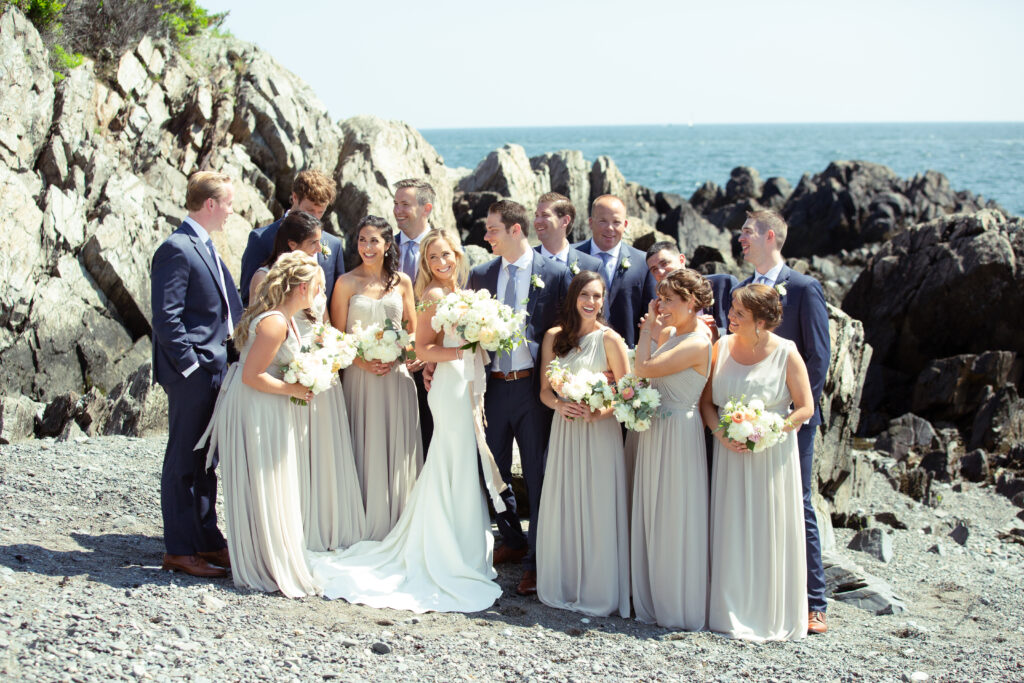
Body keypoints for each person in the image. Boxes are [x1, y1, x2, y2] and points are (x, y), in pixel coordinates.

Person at [308, 230, 502, 613]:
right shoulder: (431, 296)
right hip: (449, 387)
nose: (441, 263)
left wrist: (484, 338)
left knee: (463, 462)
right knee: (451, 458)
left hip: (464, 384)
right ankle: (445, 550)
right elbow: (424, 346)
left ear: (458, 256)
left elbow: (428, 348)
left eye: (446, 255)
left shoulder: (466, 296)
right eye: (433, 258)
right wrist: (459, 351)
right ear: (426, 264)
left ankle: (465, 549)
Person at [198, 251, 324, 598]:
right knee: (265, 480)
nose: (318, 292)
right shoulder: (275, 323)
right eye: (315, 285)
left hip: (268, 404)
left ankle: (270, 556)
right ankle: (264, 564)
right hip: (257, 405)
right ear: (300, 287)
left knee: (273, 480)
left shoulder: (284, 318)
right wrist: (295, 388)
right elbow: (253, 376)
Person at [467, 199, 572, 596]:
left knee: (537, 473)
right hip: (493, 387)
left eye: (492, 229)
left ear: (515, 230)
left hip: (534, 389)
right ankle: (512, 540)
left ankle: (536, 562)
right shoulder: (479, 275)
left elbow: (566, 333)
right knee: (489, 469)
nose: (486, 236)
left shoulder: (557, 274)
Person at [701, 284, 814, 641]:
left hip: (772, 456)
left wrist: (770, 430)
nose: (730, 317)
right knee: (731, 526)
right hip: (730, 454)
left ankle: (768, 612)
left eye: (738, 313)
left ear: (761, 322)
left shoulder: (786, 353)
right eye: (732, 309)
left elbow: (806, 408)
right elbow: (706, 404)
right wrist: (722, 435)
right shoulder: (721, 347)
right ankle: (729, 608)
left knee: (769, 527)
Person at [736, 209, 831, 635]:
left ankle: (814, 600)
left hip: (791, 419)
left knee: (799, 501)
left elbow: (818, 357)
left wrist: (789, 413)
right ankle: (756, 589)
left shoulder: (805, 288)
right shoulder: (740, 289)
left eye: (747, 232)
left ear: (770, 236)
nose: (741, 239)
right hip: (743, 420)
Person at [249, 211, 366, 551]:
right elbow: (262, 325)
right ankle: (297, 526)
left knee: (325, 446)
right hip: (289, 365)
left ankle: (327, 523)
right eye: (314, 242)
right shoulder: (264, 277)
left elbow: (324, 320)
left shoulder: (315, 272)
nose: (322, 248)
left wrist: (333, 349)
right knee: (296, 450)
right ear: (291, 244)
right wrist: (297, 368)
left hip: (319, 365)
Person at [151, 171, 243, 578]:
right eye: (227, 203)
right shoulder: (176, 249)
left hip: (215, 369)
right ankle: (180, 550)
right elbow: (166, 318)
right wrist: (191, 367)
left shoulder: (203, 245)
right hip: (194, 373)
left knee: (207, 460)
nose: (230, 211)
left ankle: (206, 540)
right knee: (183, 460)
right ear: (210, 204)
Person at [535, 271, 630, 617]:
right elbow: (545, 391)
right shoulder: (553, 337)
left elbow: (625, 391)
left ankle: (597, 588)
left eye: (597, 296)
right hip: (565, 431)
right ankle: (565, 581)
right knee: (566, 501)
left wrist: (599, 413)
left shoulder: (611, 340)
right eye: (585, 295)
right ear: (574, 297)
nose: (591, 303)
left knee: (597, 503)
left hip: (598, 433)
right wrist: (560, 404)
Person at [630, 269, 714, 630]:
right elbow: (644, 376)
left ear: (691, 303)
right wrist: (654, 327)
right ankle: (652, 594)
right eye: (660, 298)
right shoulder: (672, 334)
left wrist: (648, 325)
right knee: (653, 509)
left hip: (679, 432)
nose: (661, 305)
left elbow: (643, 367)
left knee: (675, 512)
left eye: (668, 300)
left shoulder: (698, 340)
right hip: (656, 429)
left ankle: (678, 602)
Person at [330, 216, 422, 541]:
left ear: (387, 245)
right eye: (362, 240)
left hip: (397, 379)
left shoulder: (402, 282)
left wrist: (407, 358)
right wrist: (362, 362)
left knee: (399, 451)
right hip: (360, 378)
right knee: (364, 444)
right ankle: (364, 523)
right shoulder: (345, 283)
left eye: (374, 241)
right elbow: (336, 336)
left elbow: (412, 328)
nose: (367, 247)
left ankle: (400, 524)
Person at [239, 169, 344, 307]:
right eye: (310, 210)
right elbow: (248, 299)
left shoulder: (333, 245)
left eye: (321, 212)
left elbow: (335, 303)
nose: (315, 218)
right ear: (294, 197)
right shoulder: (261, 239)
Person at [573, 195, 656, 348]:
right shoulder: (572, 256)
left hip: (628, 351)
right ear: (591, 223)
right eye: (603, 221)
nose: (610, 228)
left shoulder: (643, 262)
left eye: (616, 222)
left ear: (625, 225)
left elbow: (650, 314)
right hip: (579, 349)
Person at [392, 179, 436, 457]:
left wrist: (429, 352)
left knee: (431, 438)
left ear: (426, 208)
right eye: (395, 203)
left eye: (404, 204)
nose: (397, 210)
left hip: (432, 365)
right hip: (390, 361)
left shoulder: (445, 249)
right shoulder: (383, 247)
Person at [645, 240, 737, 337]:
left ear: (682, 260)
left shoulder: (723, 284)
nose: (660, 271)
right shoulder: (660, 308)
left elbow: (742, 327)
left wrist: (713, 330)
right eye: (654, 269)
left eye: (664, 263)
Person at [533, 192, 602, 275]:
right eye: (537, 216)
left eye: (545, 215)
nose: (537, 221)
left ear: (565, 221)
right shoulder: (526, 260)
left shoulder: (591, 266)